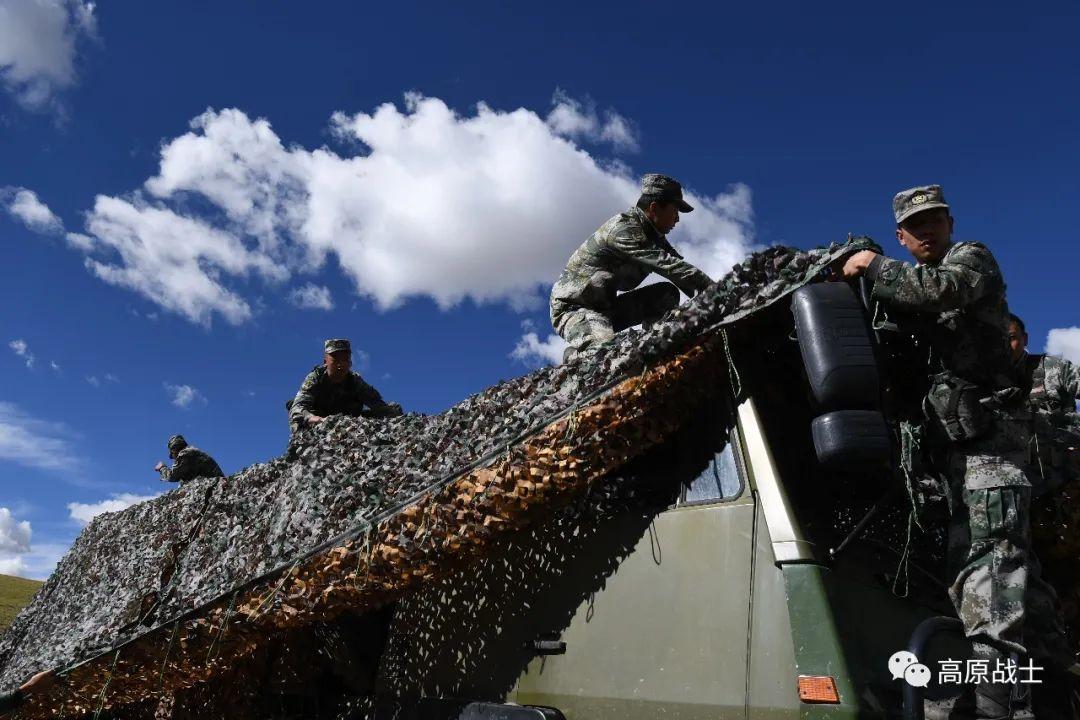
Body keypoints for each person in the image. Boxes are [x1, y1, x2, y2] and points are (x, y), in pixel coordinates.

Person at [841, 185, 1071, 718]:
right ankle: (1048, 696)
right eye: (914, 226)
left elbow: (937, 290)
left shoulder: (970, 259)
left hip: (992, 450)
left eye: (934, 221)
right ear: (903, 235)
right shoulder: (907, 287)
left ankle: (995, 707)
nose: (926, 231)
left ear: (949, 222)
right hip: (962, 456)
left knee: (990, 580)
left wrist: (872, 264)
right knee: (1015, 585)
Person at [549, 173, 713, 361]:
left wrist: (709, 298)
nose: (677, 219)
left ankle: (656, 343)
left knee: (666, 294)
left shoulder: (655, 238)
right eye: (675, 211)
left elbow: (682, 274)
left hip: (607, 308)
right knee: (605, 355)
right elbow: (669, 266)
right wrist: (715, 291)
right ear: (654, 208)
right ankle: (577, 355)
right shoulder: (622, 230)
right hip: (575, 309)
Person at [1010, 313, 1080, 496]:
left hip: (1066, 482)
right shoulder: (982, 381)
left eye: (1011, 338)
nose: (1005, 346)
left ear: (1024, 339)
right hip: (1015, 489)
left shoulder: (1054, 368)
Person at [288, 339, 402, 434]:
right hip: (319, 421)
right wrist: (314, 419)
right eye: (335, 359)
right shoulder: (315, 378)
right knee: (296, 414)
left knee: (393, 409)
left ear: (350, 363)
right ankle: (300, 446)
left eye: (345, 360)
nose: (340, 365)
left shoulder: (355, 381)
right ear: (325, 362)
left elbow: (378, 404)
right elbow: (298, 407)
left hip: (349, 422)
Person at [155, 434, 224, 485]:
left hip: (215, 485)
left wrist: (162, 467)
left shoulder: (185, 454)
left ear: (175, 450)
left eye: (172, 453)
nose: (172, 458)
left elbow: (173, 476)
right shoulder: (191, 452)